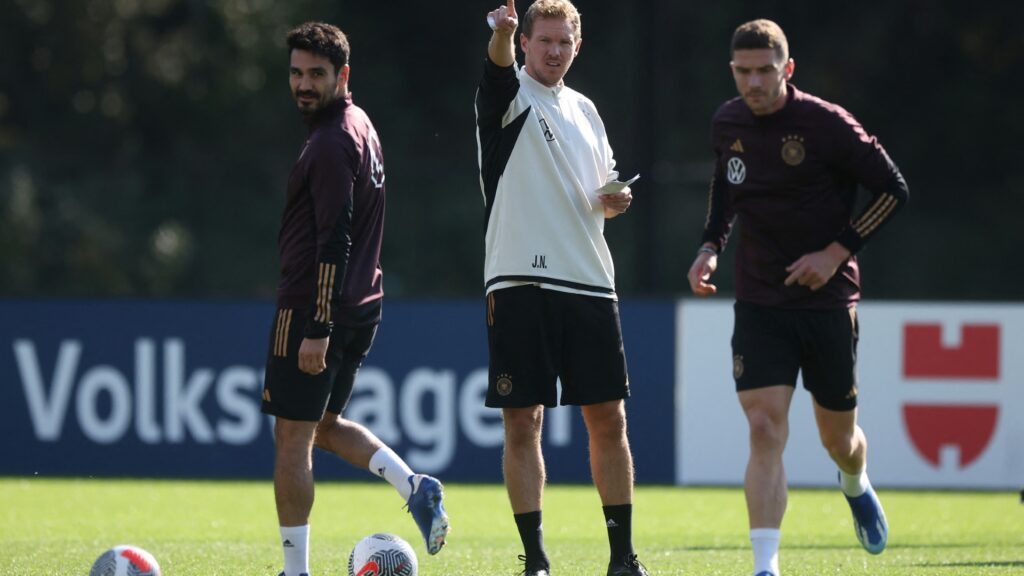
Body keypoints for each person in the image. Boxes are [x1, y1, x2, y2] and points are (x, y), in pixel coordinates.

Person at [687, 19, 908, 576]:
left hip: (828, 303)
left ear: (787, 69)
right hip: (760, 302)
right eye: (743, 72)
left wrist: (837, 252)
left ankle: (854, 482)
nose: (753, 83)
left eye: (765, 71)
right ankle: (766, 566)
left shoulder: (826, 124)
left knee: (840, 440)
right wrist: (710, 245)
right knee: (764, 428)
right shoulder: (727, 121)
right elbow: (725, 185)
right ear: (732, 70)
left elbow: (893, 189)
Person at [261, 21, 448, 576]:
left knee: (291, 439)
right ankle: (411, 483)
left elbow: (333, 237)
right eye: (296, 73)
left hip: (314, 309)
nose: (303, 84)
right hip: (363, 302)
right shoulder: (359, 123)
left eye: (316, 74)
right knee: (322, 424)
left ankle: (295, 573)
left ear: (342, 75)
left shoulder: (328, 143)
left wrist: (316, 326)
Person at [475, 2, 649, 575]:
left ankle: (622, 558)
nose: (553, 51)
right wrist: (499, 33)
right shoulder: (507, 95)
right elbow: (497, 66)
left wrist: (615, 200)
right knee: (523, 421)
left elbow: (602, 191)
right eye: (542, 40)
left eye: (564, 42)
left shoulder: (586, 110)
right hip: (520, 278)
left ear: (578, 46)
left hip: (590, 280)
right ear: (524, 42)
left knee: (609, 419)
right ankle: (537, 560)